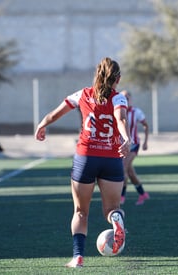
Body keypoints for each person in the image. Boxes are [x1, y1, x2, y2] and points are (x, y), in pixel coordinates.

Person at [35, 57, 131, 268]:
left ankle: (78, 257)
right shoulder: (118, 99)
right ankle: (116, 218)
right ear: (118, 79)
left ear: (96, 75)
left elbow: (55, 113)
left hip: (86, 157)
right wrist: (125, 138)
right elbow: (121, 119)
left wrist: (42, 124)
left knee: (80, 211)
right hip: (112, 158)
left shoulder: (83, 94)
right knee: (113, 208)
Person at [119, 90, 150, 205]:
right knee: (130, 173)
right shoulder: (117, 111)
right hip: (121, 146)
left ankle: (121, 197)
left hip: (133, 145)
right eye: (122, 97)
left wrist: (146, 142)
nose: (125, 99)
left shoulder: (136, 112)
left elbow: (146, 126)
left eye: (127, 97)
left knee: (123, 169)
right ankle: (143, 194)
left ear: (131, 99)